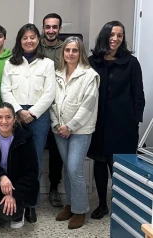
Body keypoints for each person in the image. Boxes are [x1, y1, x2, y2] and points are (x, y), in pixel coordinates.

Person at [88, 21, 145, 220]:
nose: (115, 38)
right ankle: (102, 204)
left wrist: (136, 120)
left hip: (123, 124)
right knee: (99, 162)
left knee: (118, 165)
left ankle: (121, 205)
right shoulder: (92, 61)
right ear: (104, 35)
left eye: (119, 35)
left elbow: (138, 94)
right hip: (97, 123)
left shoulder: (131, 62)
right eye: (112, 34)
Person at [1, 23, 55, 223]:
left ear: (38, 40)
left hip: (38, 116)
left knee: (34, 161)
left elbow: (50, 93)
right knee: (13, 160)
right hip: (15, 116)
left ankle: (31, 205)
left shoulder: (47, 64)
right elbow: (5, 90)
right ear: (19, 41)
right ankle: (15, 201)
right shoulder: (10, 63)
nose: (29, 41)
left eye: (32, 37)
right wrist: (18, 111)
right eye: (25, 38)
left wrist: (31, 113)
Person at [50, 37, 99, 229]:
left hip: (80, 130)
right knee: (66, 167)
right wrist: (56, 124)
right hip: (59, 130)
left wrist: (70, 126)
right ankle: (69, 205)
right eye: (67, 50)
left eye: (75, 50)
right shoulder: (57, 74)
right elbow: (52, 102)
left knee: (74, 169)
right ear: (63, 53)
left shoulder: (89, 75)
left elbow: (88, 106)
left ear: (81, 53)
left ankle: (80, 210)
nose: (70, 53)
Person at [0, 102, 39, 237]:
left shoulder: (25, 138)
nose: (3, 121)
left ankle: (18, 214)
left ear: (15, 119)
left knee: (8, 215)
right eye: (0, 117)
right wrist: (1, 177)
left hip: (17, 185)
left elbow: (31, 174)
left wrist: (13, 194)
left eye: (8, 117)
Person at [40, 13, 65, 208]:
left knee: (57, 151)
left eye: (54, 27)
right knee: (34, 149)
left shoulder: (66, 48)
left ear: (59, 29)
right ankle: (31, 187)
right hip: (37, 107)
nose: (51, 30)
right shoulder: (34, 46)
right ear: (43, 28)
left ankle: (54, 188)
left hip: (59, 107)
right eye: (47, 27)